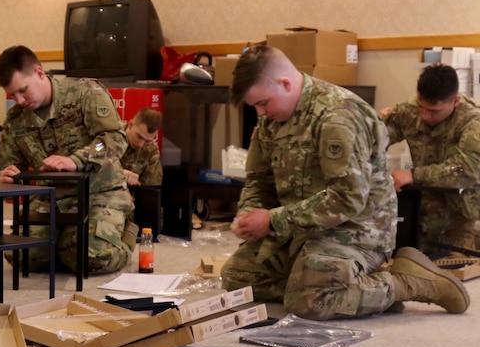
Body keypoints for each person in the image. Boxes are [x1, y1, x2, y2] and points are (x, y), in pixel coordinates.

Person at [220, 44, 470, 320]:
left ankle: (405, 283)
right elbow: (259, 179)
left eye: (263, 103)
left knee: (309, 301)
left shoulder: (339, 116)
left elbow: (347, 199)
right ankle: (349, 286)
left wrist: (272, 220)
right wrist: (249, 212)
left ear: (285, 83)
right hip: (303, 227)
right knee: (238, 278)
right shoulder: (273, 119)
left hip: (357, 229)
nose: (260, 113)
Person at [0, 45, 137, 275]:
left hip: (98, 193)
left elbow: (112, 138)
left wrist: (78, 159)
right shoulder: (16, 119)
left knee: (89, 257)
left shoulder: (85, 93)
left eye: (23, 90)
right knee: (21, 256)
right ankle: (63, 245)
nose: (19, 100)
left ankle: (127, 235)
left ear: (40, 73)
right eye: (13, 95)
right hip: (51, 198)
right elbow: (6, 164)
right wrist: (5, 177)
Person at [380, 63, 480, 255]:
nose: (425, 116)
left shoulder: (473, 122)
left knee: (455, 277)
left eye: (435, 111)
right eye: (421, 106)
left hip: (456, 222)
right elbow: (376, 138)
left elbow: (466, 170)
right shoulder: (408, 111)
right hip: (418, 216)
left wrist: (413, 175)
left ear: (456, 101)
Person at [121, 107, 163, 187]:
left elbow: (151, 189)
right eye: (139, 137)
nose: (140, 144)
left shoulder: (152, 151)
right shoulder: (108, 136)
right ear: (131, 125)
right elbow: (91, 155)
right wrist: (117, 173)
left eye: (147, 141)